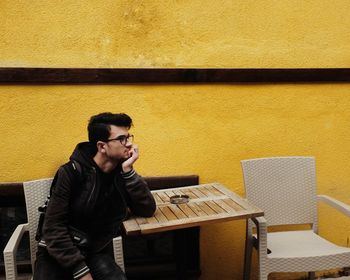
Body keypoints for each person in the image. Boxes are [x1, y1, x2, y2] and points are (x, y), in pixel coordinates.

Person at [34, 112, 156, 280]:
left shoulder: (121, 173)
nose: (129, 144)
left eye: (129, 137)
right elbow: (53, 229)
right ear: (101, 146)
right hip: (57, 252)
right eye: (122, 139)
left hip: (93, 251)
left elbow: (147, 209)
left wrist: (129, 171)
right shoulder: (71, 172)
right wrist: (80, 271)